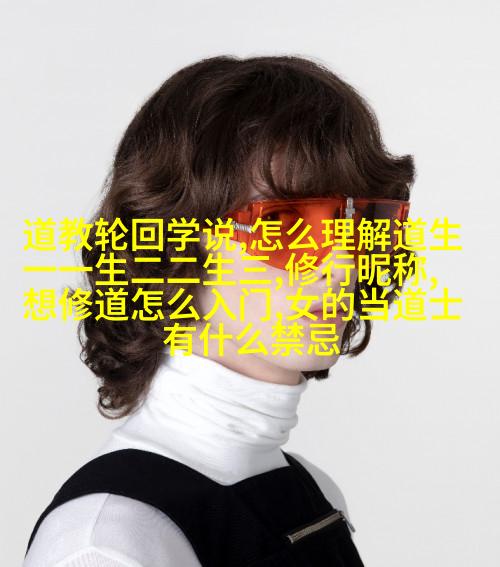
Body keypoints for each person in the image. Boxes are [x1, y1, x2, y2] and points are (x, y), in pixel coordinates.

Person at [24, 54, 415, 566]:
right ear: (172, 243)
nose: (341, 264)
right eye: (285, 225)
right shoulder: (109, 542)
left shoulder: (312, 492)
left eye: (362, 225)